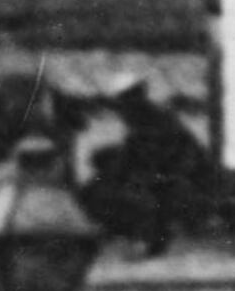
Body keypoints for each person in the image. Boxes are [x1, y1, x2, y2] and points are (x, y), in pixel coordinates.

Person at [83, 80, 223, 259]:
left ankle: (145, 241)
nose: (121, 112)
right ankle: (121, 230)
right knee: (96, 189)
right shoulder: (140, 122)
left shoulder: (158, 121)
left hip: (179, 178)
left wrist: (142, 175)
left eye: (122, 105)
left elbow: (180, 159)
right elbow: (132, 154)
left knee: (139, 197)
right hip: (160, 173)